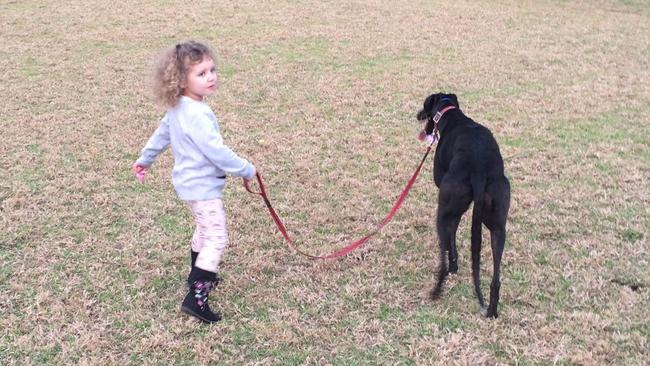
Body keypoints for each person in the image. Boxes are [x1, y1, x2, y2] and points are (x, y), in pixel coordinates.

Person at [132, 40, 256, 324]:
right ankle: (197, 298)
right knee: (216, 237)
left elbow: (161, 135)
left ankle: (196, 276)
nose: (211, 77)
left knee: (203, 229)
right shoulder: (197, 113)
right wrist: (246, 168)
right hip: (201, 187)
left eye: (212, 70)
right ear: (181, 79)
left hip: (189, 185)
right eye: (201, 73)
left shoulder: (180, 107)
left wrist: (145, 159)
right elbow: (217, 152)